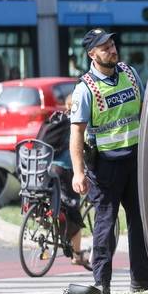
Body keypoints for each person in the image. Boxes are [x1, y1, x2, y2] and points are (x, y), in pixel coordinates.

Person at [69, 28, 148, 294]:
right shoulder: (85, 88)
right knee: (106, 225)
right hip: (106, 166)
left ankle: (141, 279)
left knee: (139, 221)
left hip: (134, 160)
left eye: (112, 44)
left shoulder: (130, 74)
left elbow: (145, 111)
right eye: (104, 47)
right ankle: (102, 283)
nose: (112, 49)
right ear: (92, 54)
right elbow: (76, 132)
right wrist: (78, 172)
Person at [37, 94, 88, 267]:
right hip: (64, 170)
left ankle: (46, 219)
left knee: (58, 205)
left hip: (46, 169)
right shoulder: (75, 124)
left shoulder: (57, 119)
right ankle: (77, 255)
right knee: (74, 211)